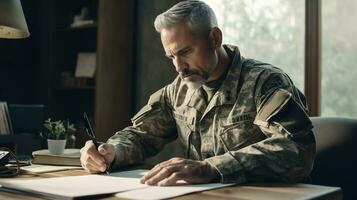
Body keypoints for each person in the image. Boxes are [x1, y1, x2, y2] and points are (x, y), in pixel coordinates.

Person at [80, 0, 316, 186]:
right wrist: (110, 152)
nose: (178, 67)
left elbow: (297, 151)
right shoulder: (179, 89)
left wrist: (212, 167)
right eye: (171, 57)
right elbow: (141, 135)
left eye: (185, 52)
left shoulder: (265, 83)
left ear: (215, 38)